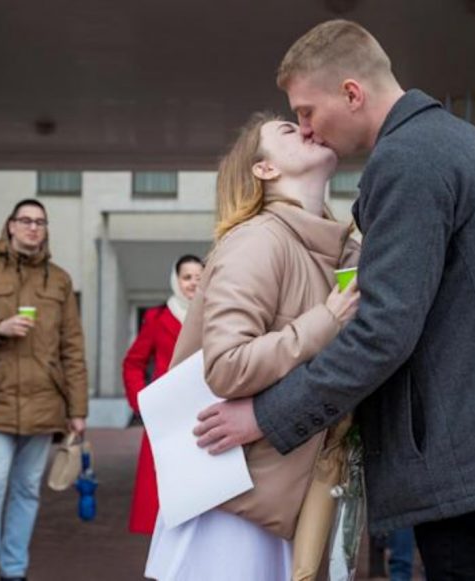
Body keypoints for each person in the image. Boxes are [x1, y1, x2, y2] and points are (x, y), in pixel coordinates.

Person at [192, 20, 475, 580]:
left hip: (474, 461)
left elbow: (383, 332)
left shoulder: (405, 161)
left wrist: (268, 416)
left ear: (351, 93)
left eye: (305, 110)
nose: (306, 127)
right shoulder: (467, 141)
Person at [144, 112, 360, 580]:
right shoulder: (257, 241)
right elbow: (226, 366)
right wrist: (327, 320)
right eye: (287, 130)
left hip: (276, 497)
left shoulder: (335, 249)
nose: (306, 127)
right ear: (264, 170)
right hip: (230, 508)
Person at [0, 199, 89, 581]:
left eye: (40, 222)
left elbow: (72, 346)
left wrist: (78, 409)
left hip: (45, 401)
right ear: (9, 226)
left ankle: (13, 569)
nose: (33, 228)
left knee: (27, 489)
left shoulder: (59, 280)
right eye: (25, 221)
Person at [121, 254, 204, 535]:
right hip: (166, 417)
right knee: (161, 499)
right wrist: (142, 403)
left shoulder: (216, 315)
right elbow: (133, 363)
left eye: (199, 276)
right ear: (176, 281)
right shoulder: (157, 317)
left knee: (202, 494)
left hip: (205, 414)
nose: (193, 282)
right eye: (187, 277)